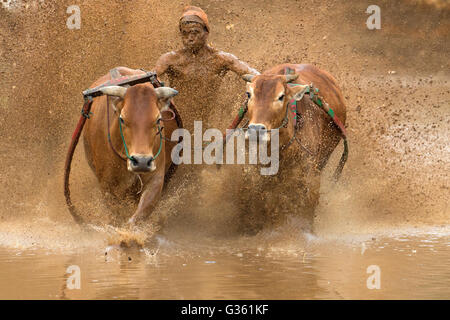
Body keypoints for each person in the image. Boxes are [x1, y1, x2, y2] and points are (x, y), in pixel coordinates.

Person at [153, 6, 260, 131]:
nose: (190, 38)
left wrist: (268, 81)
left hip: (209, 124)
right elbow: (151, 78)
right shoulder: (170, 59)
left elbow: (253, 75)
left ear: (206, 32)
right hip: (176, 122)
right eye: (185, 33)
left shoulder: (221, 59)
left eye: (195, 32)